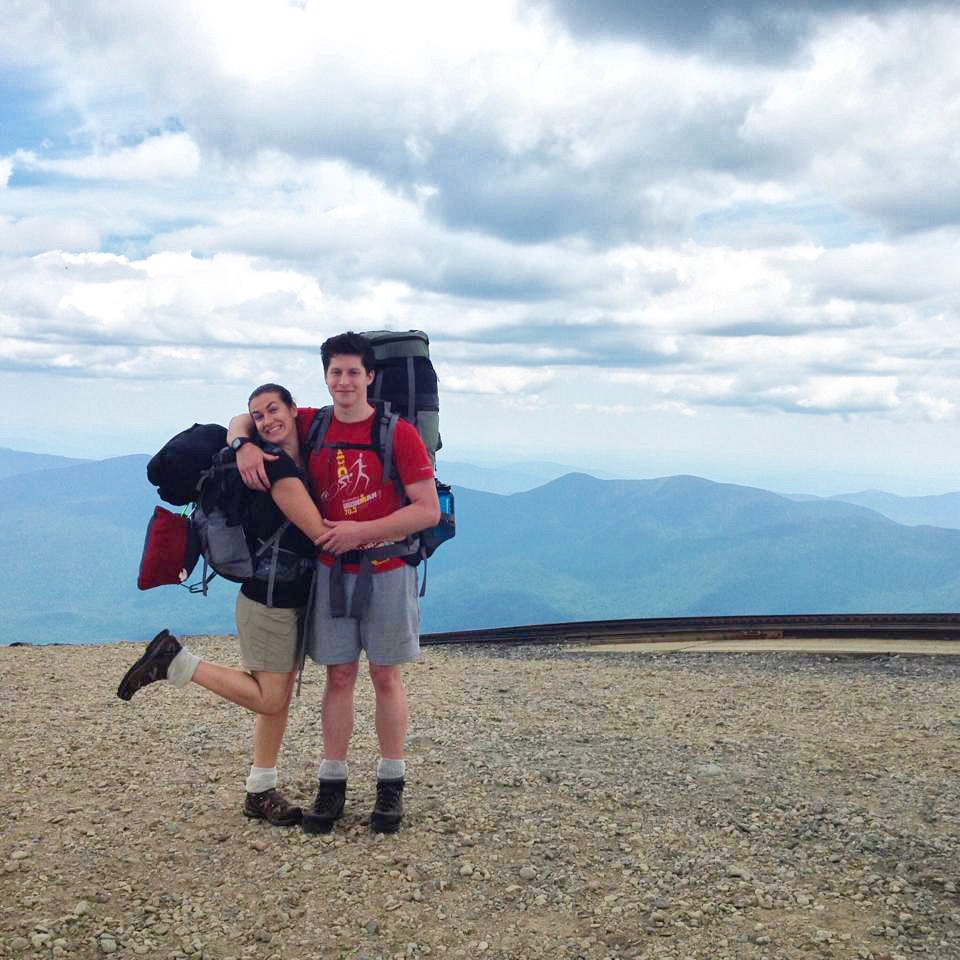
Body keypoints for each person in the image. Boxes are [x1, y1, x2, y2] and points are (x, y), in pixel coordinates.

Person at [227, 332, 439, 834]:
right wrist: (242, 445)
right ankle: (332, 782)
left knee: (386, 677)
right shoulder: (313, 422)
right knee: (339, 676)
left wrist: (359, 532)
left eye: (352, 372)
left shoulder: (398, 433)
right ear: (325, 377)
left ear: (370, 376)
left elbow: (427, 510)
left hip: (387, 569)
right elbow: (248, 416)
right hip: (333, 573)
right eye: (335, 372)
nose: (344, 381)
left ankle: (391, 783)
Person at [117, 384, 319, 827]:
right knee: (269, 697)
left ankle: (260, 789)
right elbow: (321, 533)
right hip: (269, 601)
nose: (267, 419)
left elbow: (237, 422)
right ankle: (175, 661)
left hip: (283, 596)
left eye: (274, 410)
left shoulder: (273, 451)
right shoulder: (275, 468)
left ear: (293, 410)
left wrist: (243, 437)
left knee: (278, 698)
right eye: (259, 415)